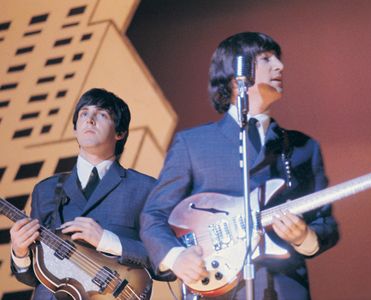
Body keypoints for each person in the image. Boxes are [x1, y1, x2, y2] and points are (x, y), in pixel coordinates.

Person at [140, 32, 340, 299]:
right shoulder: (193, 143)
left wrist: (305, 238)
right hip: (216, 286)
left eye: (278, 59)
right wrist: (176, 257)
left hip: (285, 288)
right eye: (267, 59)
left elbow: (326, 222)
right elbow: (153, 216)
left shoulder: (304, 146)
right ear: (237, 74)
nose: (280, 66)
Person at [10, 88, 156, 299]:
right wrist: (20, 253)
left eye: (102, 114)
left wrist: (107, 241)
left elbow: (167, 264)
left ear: (120, 132)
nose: (90, 120)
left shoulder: (145, 188)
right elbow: (33, 276)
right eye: (84, 113)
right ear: (75, 129)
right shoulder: (45, 189)